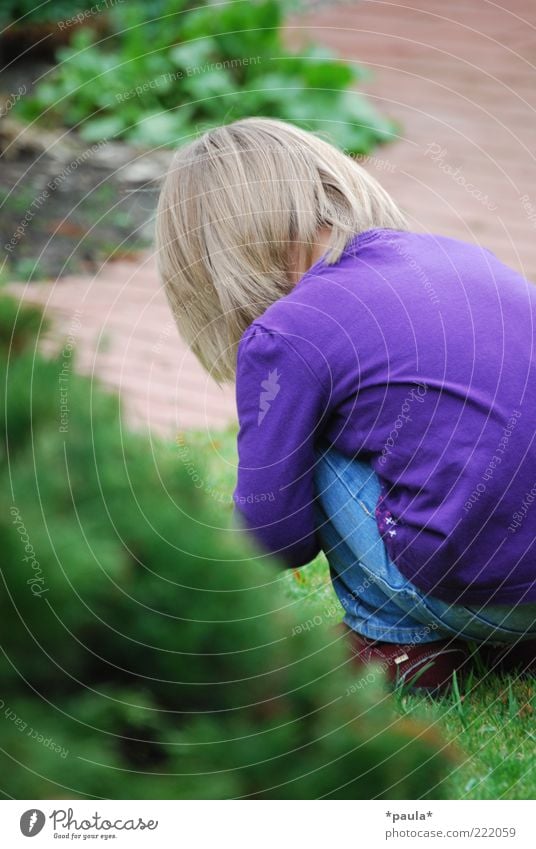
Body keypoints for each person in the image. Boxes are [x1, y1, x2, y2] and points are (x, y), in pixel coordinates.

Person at [156, 117, 536, 691]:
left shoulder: (288, 333)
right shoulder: (459, 258)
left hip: (484, 596)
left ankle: (399, 646)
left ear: (211, 259)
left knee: (315, 436)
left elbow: (273, 538)